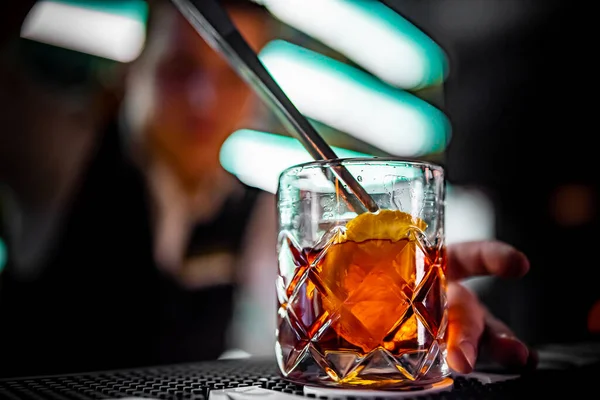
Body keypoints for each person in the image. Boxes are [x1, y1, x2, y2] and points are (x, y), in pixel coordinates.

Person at [0, 0, 535, 379]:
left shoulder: (263, 215)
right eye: (180, 66)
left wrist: (395, 303)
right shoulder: (56, 151)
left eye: (231, 77)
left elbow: (282, 345)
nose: (204, 98)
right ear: (136, 66)